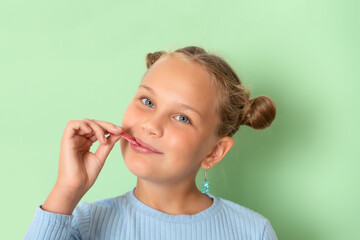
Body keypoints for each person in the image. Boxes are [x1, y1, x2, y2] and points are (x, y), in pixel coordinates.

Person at [24, 46, 278, 239]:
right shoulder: (83, 224)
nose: (151, 125)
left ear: (214, 151)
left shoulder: (252, 232)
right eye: (147, 102)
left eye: (182, 118)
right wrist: (67, 189)